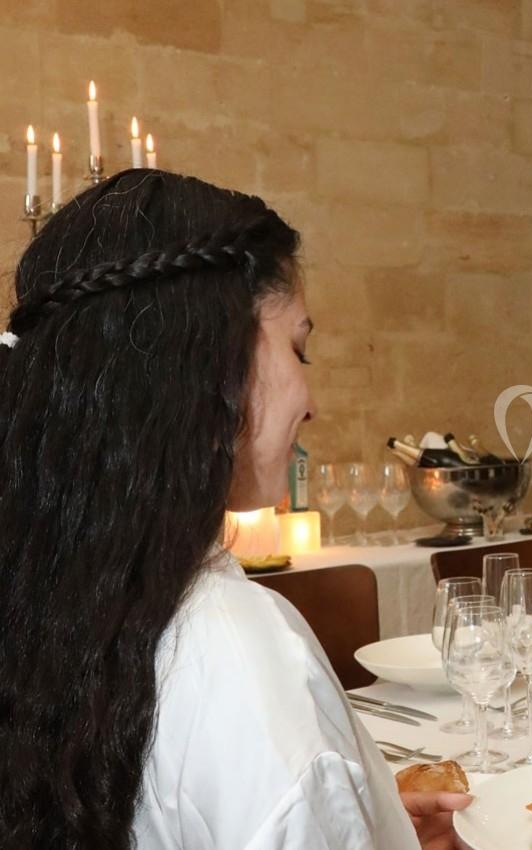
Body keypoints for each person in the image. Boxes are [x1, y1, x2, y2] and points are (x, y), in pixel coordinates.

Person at [0, 170, 468, 850]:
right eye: (297, 346)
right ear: (212, 365)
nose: (312, 402)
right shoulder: (244, 661)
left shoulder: (46, 595)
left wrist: (366, 818)